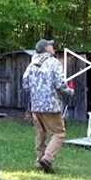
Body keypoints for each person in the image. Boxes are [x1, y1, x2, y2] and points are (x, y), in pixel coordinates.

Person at [22, 39, 74, 173]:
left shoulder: (32, 64)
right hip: (51, 105)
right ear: (46, 48)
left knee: (40, 134)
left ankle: (39, 161)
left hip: (35, 106)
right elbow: (59, 84)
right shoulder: (54, 62)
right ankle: (47, 158)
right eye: (51, 45)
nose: (53, 46)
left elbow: (25, 84)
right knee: (59, 133)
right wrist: (69, 91)